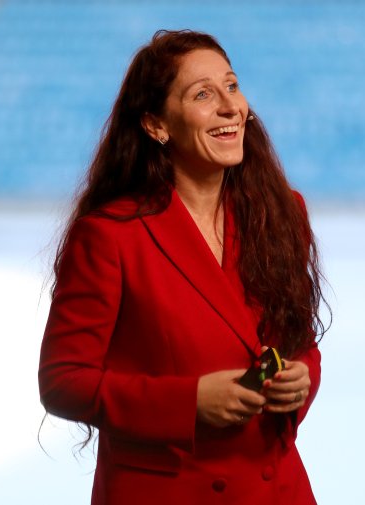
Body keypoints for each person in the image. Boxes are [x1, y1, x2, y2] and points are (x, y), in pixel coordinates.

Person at [38, 29, 327, 505]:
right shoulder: (110, 235)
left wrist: (301, 376)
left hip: (278, 488)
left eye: (232, 86)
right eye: (203, 95)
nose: (230, 107)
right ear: (156, 125)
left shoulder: (283, 212)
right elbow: (63, 381)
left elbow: (300, 343)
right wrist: (189, 403)